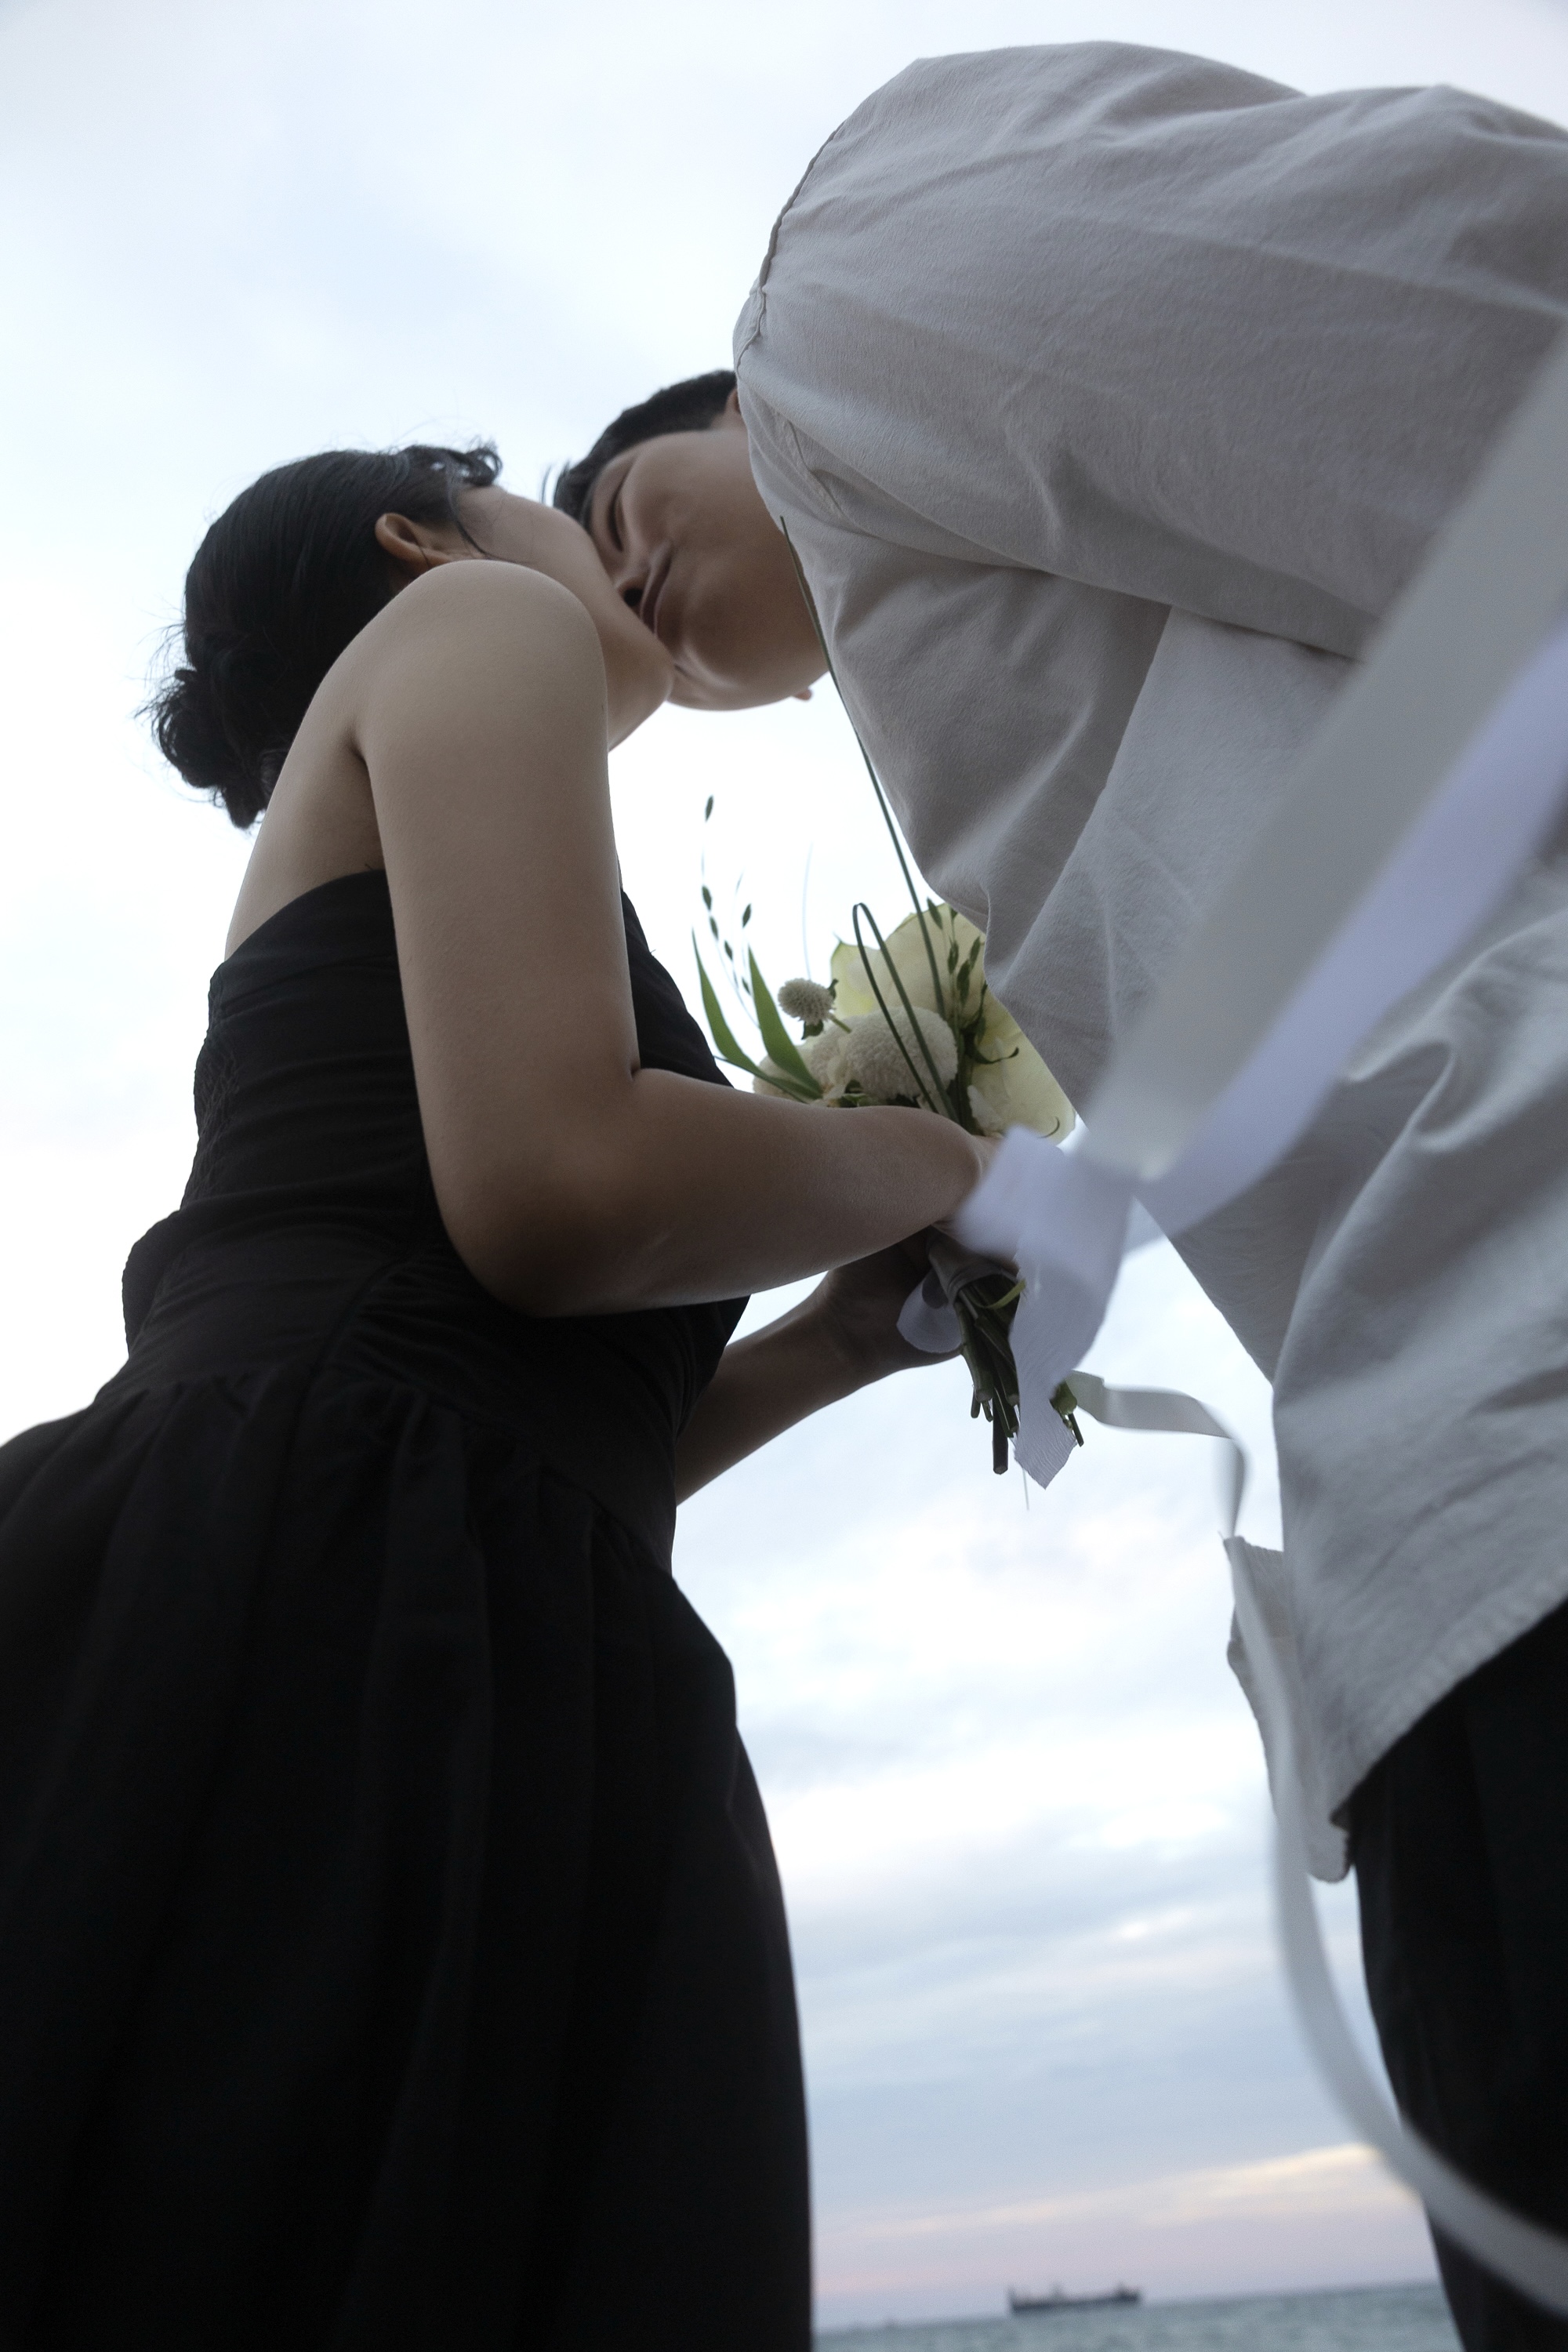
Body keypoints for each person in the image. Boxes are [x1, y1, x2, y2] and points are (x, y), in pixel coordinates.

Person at [552, 43, 1568, 2350]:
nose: (606, 548)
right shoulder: (967, 722)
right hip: (1437, 1546)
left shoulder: (844, 294)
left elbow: (1476, 320)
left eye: (625, 480)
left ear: (733, 396)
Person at [0, 439, 990, 2349]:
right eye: (538, 495)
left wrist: (836, 1344)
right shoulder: (480, 620)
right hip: (322, 1585)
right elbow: (558, 1197)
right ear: (416, 535)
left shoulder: (438, 805)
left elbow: (533, 1417)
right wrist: (948, 1166)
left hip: (406, 1574)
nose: (581, 540)